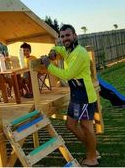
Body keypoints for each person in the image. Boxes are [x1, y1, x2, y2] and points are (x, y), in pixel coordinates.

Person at [41, 24, 100, 167]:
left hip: (85, 96)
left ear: (75, 36)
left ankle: (92, 158)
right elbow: (58, 48)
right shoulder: (68, 50)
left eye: (68, 35)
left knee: (86, 127)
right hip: (76, 96)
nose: (65, 39)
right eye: (62, 36)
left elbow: (67, 75)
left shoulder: (79, 53)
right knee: (70, 124)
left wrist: (49, 65)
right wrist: (52, 50)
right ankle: (92, 149)